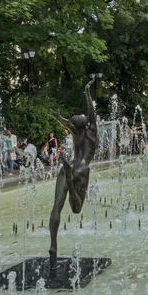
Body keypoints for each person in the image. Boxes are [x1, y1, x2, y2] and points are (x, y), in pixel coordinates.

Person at [48, 79, 98, 269]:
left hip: (68, 166)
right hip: (82, 169)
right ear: (85, 123)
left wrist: (57, 116)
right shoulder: (91, 131)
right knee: (76, 209)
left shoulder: (75, 132)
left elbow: (64, 121)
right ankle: (71, 181)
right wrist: (87, 93)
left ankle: (53, 244)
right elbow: (91, 111)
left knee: (56, 207)